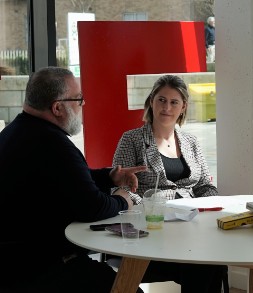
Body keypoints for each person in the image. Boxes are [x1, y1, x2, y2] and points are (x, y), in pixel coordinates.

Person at [0, 66, 146, 292]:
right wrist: (124, 200)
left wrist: (109, 177)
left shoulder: (15, 132)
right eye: (78, 99)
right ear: (58, 107)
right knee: (127, 288)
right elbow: (92, 207)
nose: (83, 105)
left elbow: (68, 180)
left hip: (12, 266)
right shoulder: (53, 144)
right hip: (43, 270)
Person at [112, 74, 225, 292]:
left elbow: (204, 185)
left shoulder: (191, 142)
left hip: (191, 224)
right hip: (151, 229)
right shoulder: (132, 140)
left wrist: (209, 204)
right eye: (161, 100)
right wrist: (151, 206)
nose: (167, 107)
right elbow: (120, 189)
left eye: (174, 102)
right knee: (201, 263)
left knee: (212, 258)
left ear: (183, 107)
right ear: (151, 101)